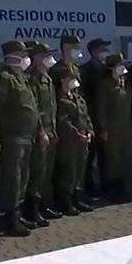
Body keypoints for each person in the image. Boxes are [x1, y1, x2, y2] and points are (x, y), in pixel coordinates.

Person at [0, 41, 39, 236]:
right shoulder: (3, 79)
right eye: (22, 54)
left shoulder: (22, 78)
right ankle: (10, 219)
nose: (26, 58)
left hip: (26, 137)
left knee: (23, 177)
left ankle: (18, 214)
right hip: (12, 138)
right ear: (11, 57)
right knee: (13, 179)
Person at [24, 43, 59, 225]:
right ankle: (32, 209)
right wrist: (41, 131)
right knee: (37, 171)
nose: (49, 58)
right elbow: (35, 109)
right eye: (45, 55)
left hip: (50, 130)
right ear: (36, 57)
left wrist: (53, 129)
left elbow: (52, 107)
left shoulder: (47, 78)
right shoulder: (32, 79)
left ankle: (44, 205)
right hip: (39, 133)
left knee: (46, 170)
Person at [96, 53, 132, 203]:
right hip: (112, 129)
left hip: (125, 128)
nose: (123, 67)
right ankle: (113, 191)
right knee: (113, 161)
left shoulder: (124, 82)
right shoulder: (105, 85)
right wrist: (103, 129)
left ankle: (123, 188)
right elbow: (101, 109)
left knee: (125, 160)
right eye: (120, 65)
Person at [55, 70, 94, 216]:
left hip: (82, 141)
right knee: (68, 171)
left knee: (79, 170)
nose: (74, 81)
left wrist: (89, 131)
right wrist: (77, 134)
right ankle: (66, 201)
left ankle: (77, 197)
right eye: (70, 78)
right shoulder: (60, 99)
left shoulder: (78, 97)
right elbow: (63, 121)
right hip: (69, 141)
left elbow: (86, 116)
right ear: (63, 80)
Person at [80, 38, 111, 197]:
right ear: (93, 52)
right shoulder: (84, 70)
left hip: (105, 119)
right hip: (91, 118)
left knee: (106, 156)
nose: (104, 52)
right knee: (89, 157)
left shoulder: (107, 70)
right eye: (102, 49)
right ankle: (89, 189)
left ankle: (106, 186)